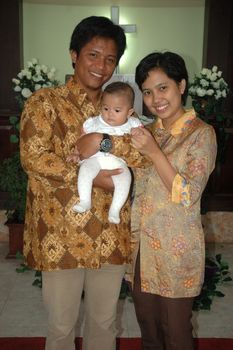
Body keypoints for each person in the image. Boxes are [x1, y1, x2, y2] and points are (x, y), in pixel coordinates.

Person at [20, 16, 147, 350]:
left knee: (105, 325)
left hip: (110, 236)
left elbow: (144, 156)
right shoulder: (44, 103)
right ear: (74, 54)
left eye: (109, 59)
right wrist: (95, 179)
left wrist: (103, 143)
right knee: (61, 327)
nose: (101, 66)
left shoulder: (123, 109)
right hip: (62, 236)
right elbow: (34, 158)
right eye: (93, 55)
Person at [128, 51, 217, 350]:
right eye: (147, 92)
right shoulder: (144, 132)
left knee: (176, 332)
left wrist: (153, 152)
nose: (155, 99)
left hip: (176, 252)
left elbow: (187, 195)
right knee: (149, 330)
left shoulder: (201, 135)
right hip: (141, 250)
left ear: (181, 85)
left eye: (163, 87)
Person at [72, 81, 142, 224]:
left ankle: (115, 209)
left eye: (117, 110)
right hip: (95, 159)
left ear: (129, 112)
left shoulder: (133, 124)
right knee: (85, 170)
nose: (110, 114)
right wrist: (75, 153)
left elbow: (143, 143)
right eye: (105, 108)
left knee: (125, 179)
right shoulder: (94, 122)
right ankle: (85, 200)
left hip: (118, 164)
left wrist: (138, 133)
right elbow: (81, 139)